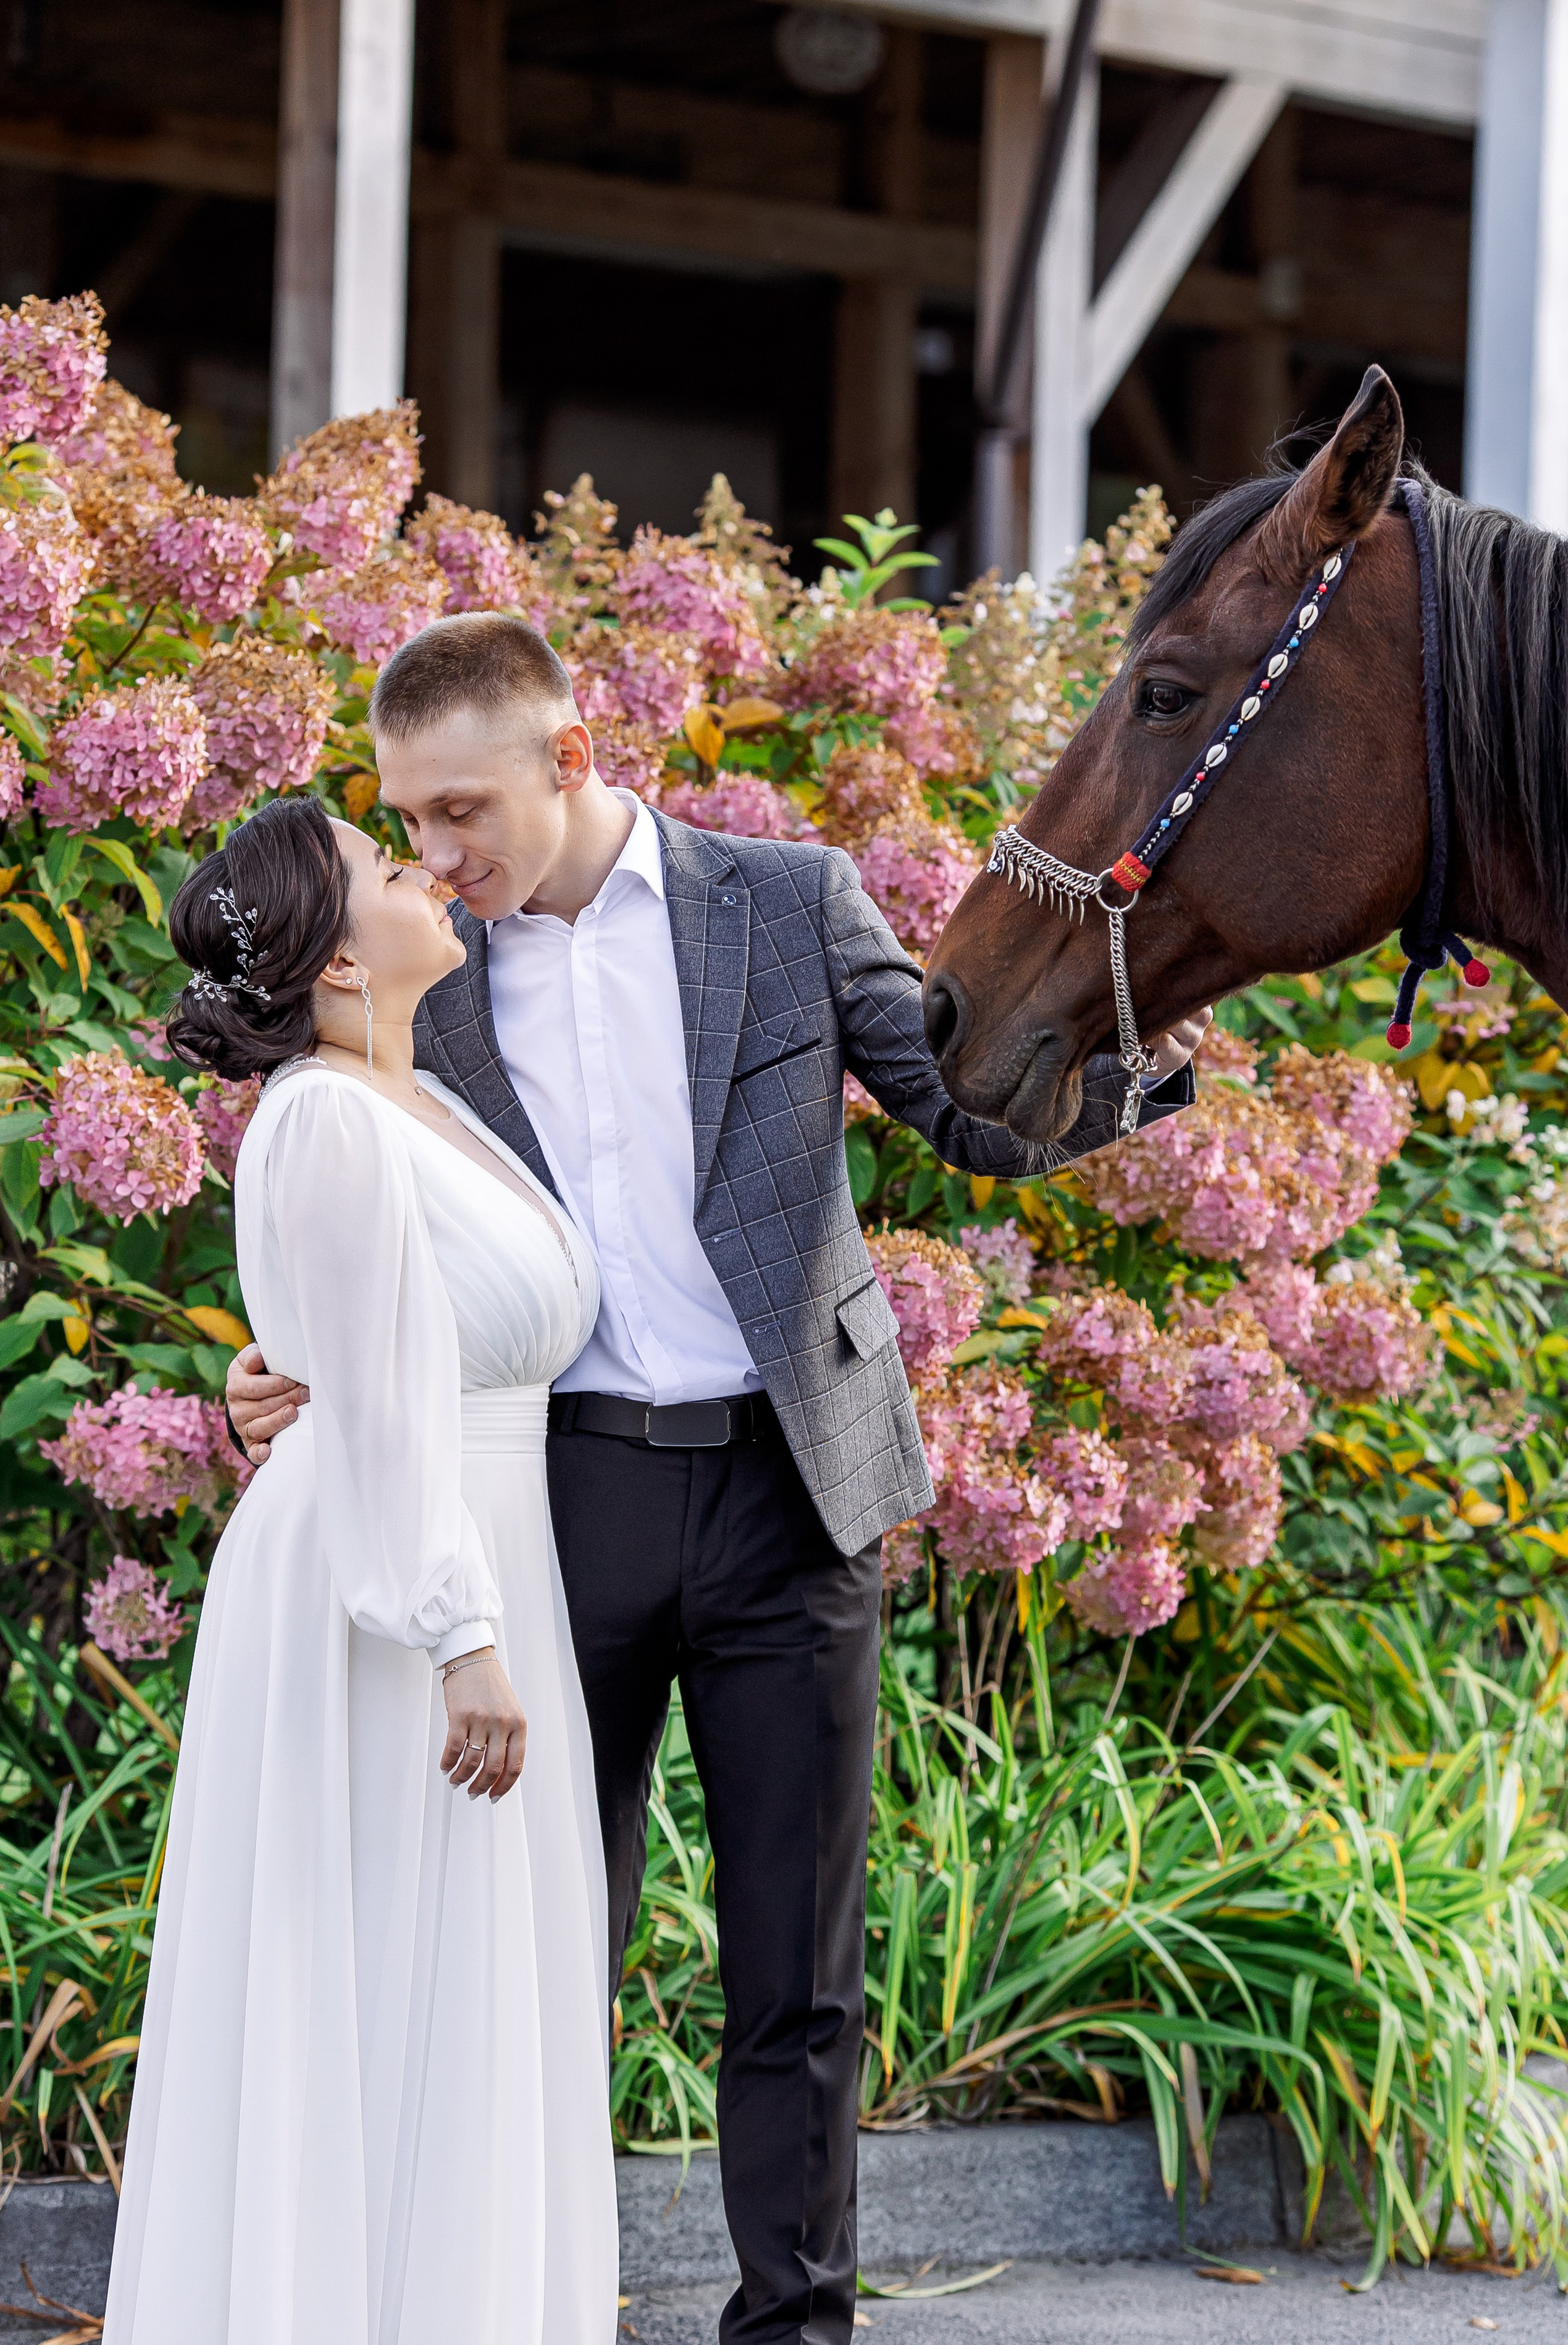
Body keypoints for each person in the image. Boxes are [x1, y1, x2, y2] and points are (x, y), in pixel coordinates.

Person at [227, 615, 1207, 2345]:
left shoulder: (786, 896)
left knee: (796, 1976)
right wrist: (287, 1366)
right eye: (411, 823)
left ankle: (797, 2327)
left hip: (787, 1488)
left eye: (464, 813)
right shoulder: (425, 985)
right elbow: (376, 1219)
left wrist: (1146, 1047)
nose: (439, 859)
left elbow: (952, 1107)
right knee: (530, 1958)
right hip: (550, 1508)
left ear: (572, 756)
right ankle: (521, 2304)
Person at [106, 796, 617, 2344]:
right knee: (398, 1973)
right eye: (393, 865)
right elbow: (385, 1400)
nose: (430, 869)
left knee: (463, 1993)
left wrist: (293, 1361)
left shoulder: (420, 1100)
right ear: (339, 959)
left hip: (470, 1553)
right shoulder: (324, 1113)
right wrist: (458, 1636)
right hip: (393, 1592)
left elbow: (390, 1333)